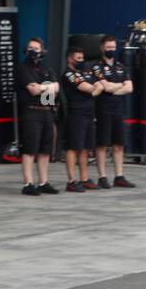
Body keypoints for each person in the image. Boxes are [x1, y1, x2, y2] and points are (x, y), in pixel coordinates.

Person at [16, 37, 60, 196]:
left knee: (45, 150)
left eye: (36, 48)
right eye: (30, 48)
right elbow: (32, 90)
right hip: (31, 111)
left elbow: (55, 88)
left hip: (46, 110)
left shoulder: (46, 69)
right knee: (30, 149)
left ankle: (43, 182)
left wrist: (43, 87)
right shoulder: (22, 68)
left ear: (42, 51)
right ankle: (28, 183)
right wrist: (47, 87)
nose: (33, 51)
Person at [92, 36, 134, 189]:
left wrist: (113, 88)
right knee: (102, 144)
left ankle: (119, 176)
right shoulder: (97, 67)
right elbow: (105, 87)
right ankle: (102, 177)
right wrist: (119, 86)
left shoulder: (121, 66)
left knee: (119, 144)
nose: (111, 50)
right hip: (103, 110)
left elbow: (129, 88)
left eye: (113, 47)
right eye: (108, 47)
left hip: (119, 110)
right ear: (102, 48)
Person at [61, 44, 98, 192]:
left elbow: (98, 85)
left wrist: (95, 87)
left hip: (89, 113)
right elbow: (88, 88)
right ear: (70, 58)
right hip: (76, 114)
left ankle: (84, 178)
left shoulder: (85, 73)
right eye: (78, 58)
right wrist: (95, 88)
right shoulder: (68, 74)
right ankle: (71, 181)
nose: (81, 61)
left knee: (85, 148)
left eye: (82, 58)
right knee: (73, 148)